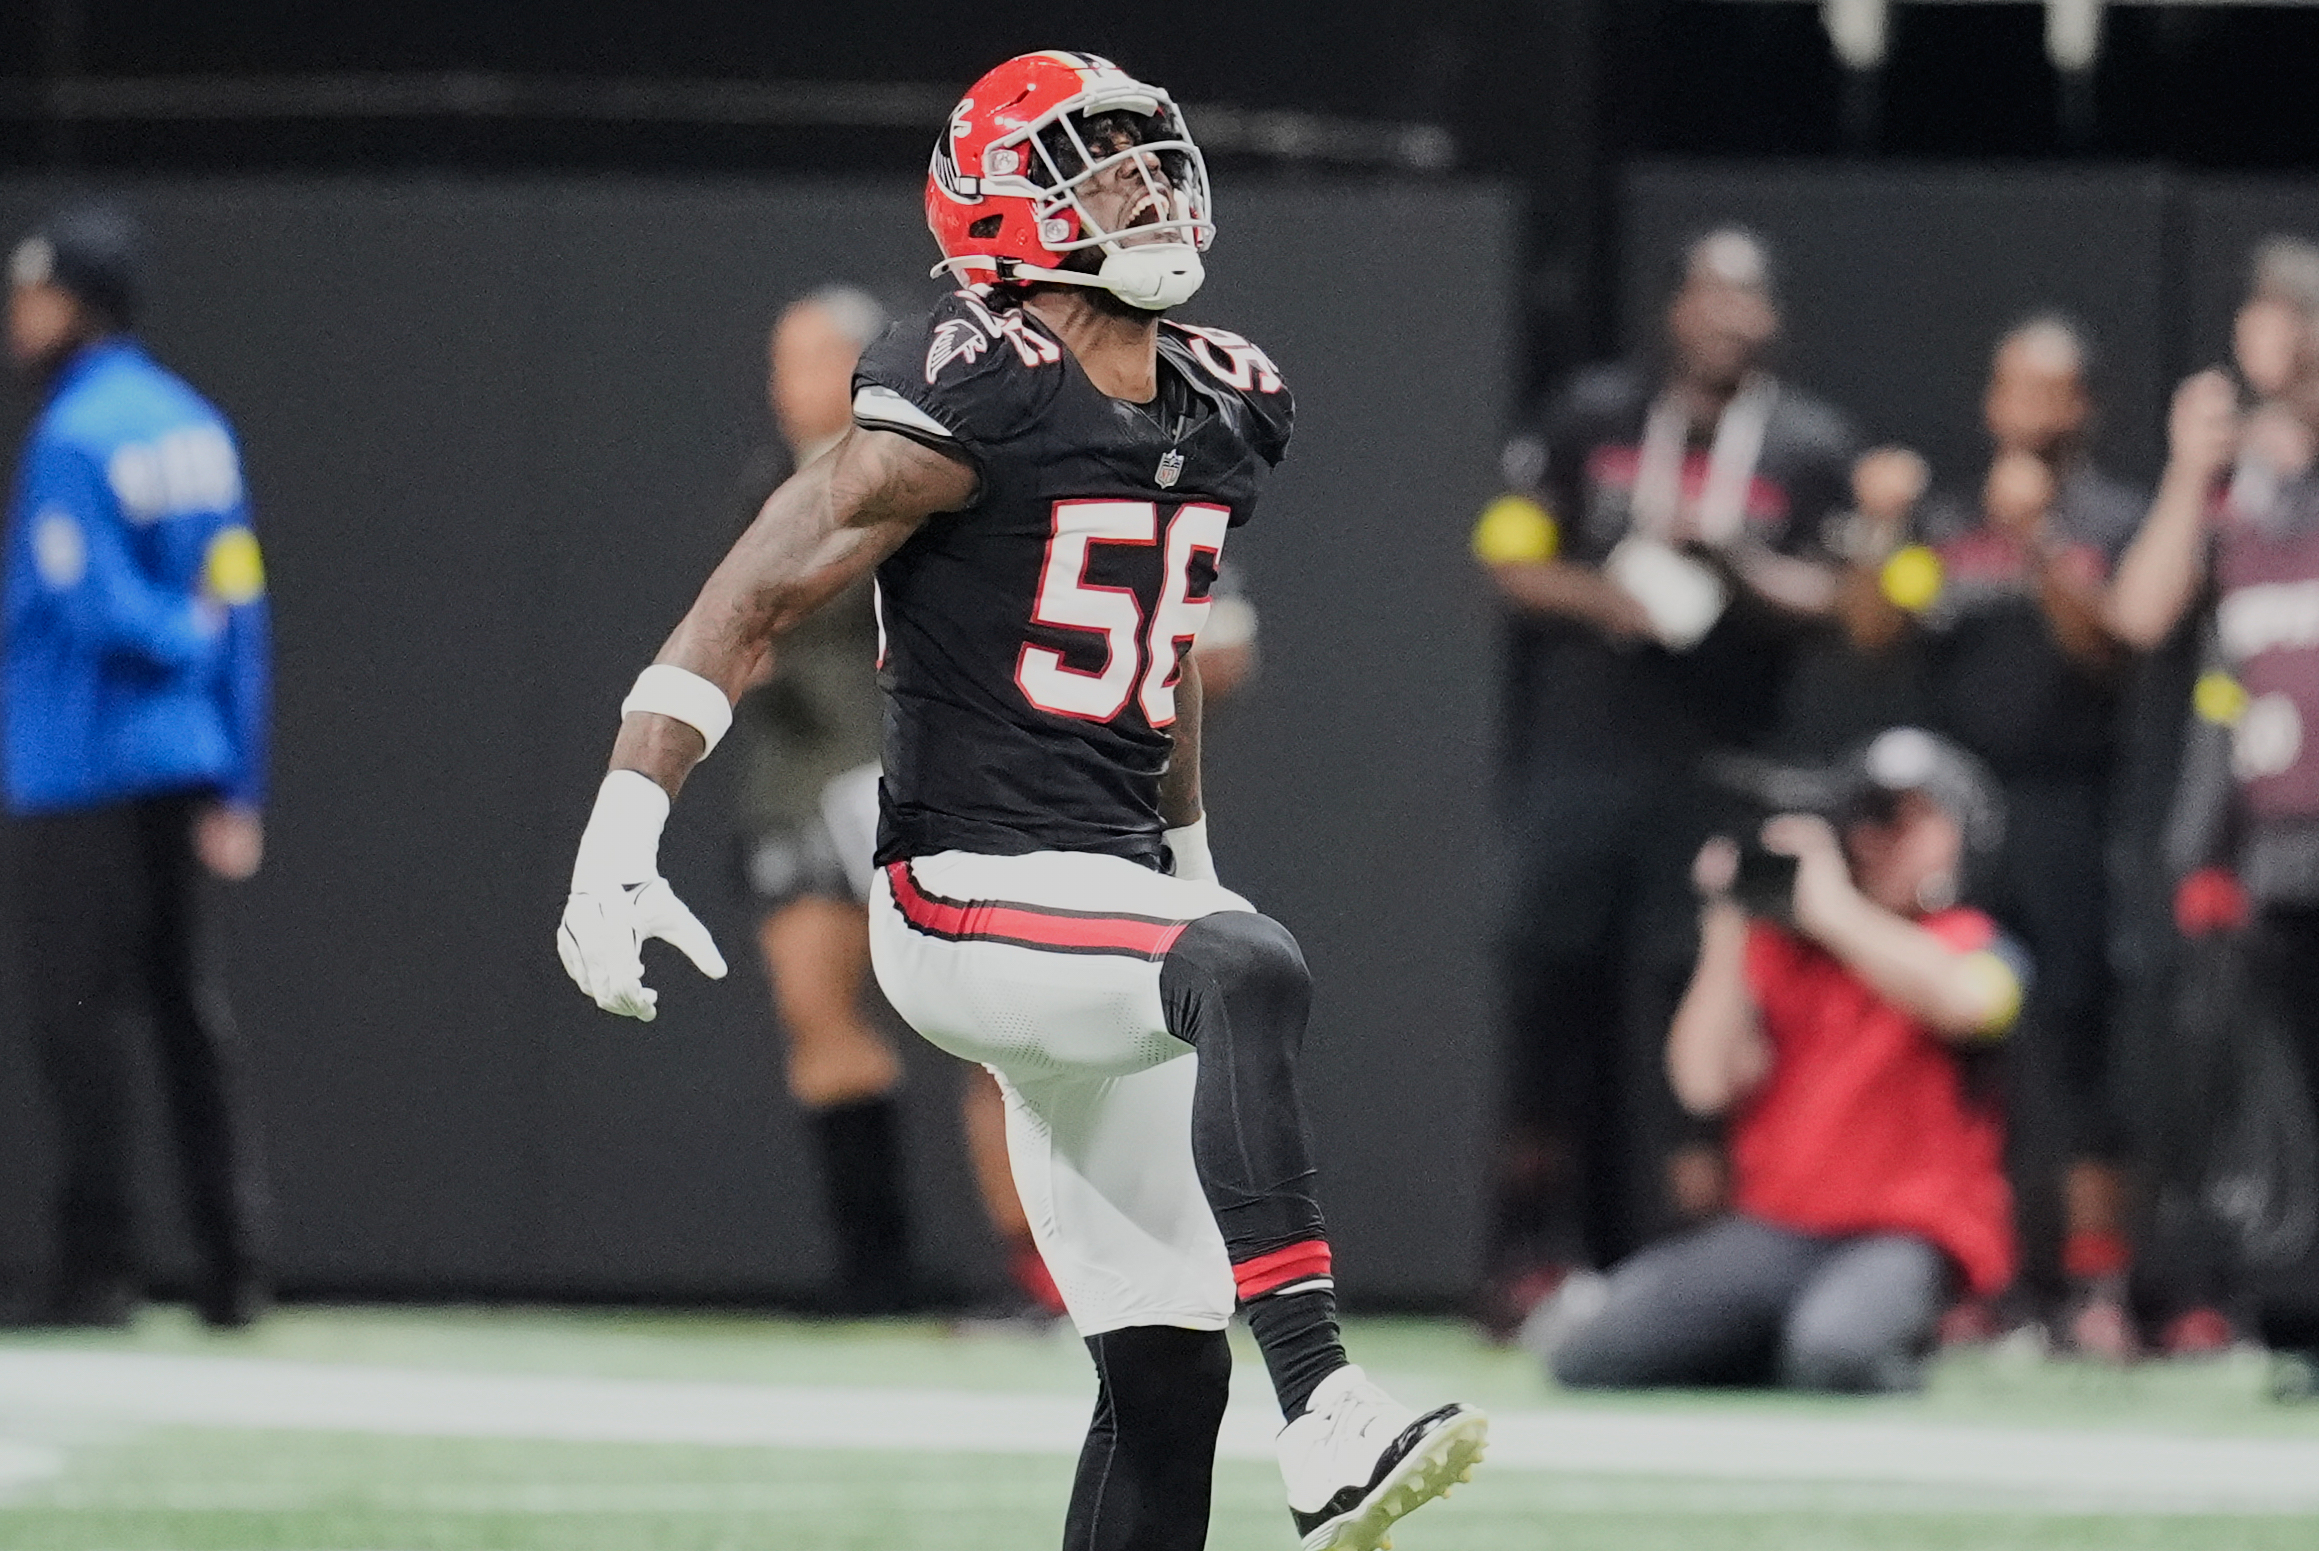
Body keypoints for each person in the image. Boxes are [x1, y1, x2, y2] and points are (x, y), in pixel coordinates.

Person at [554, 51, 1484, 1551]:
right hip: (962, 890)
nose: (1144, 184)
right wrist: (621, 820)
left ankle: (1277, 1404)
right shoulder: (971, 381)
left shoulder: (1220, 394)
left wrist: (1182, 859)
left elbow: (1158, 648)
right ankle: (1321, 1404)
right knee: (1244, 959)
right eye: (1096, 162)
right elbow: (757, 581)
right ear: (1000, 204)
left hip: (1103, 897)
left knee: (1161, 1373)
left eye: (1146, 155)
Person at [1470, 227, 1859, 1328]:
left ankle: (1694, 1268)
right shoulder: (1590, 415)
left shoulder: (1806, 442)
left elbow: (1842, 604)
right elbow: (1507, 557)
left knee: (1695, 1012)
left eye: (1751, 302)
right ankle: (1526, 1248)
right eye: (1712, 298)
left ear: (1772, 320)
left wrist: (1732, 558)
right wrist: (1616, 602)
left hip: (1720, 770)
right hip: (1583, 761)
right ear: (1675, 307)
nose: (1730, 320)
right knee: (1547, 998)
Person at [1529, 729, 2024, 1393]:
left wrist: (1832, 911)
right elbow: (1704, 1083)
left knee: (1836, 1353)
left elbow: (1968, 1003)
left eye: (1911, 821)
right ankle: (1763, 1338)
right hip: (1776, 1228)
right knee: (1592, 1353)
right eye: (1874, 820)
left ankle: (1854, 1340)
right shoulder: (1782, 954)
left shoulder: (1975, 944)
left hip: (1903, 1233)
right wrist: (1727, 926)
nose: (1883, 840)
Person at [3, 204, 273, 1329]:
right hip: (184, 757)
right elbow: (245, 607)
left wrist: (178, 634)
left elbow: (92, 596)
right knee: (184, 1014)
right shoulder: (200, 431)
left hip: (78, 763)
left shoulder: (74, 437)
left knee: (81, 1019)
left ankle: (92, 1270)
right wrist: (239, 775)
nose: (20, 320)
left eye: (33, 296)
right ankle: (231, 1268)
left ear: (78, 302)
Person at [1887, 318, 2145, 1347]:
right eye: (2013, 389)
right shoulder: (1947, 521)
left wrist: (2040, 543)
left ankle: (2096, 1286)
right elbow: (1875, 632)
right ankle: (1966, 1273)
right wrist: (1879, 533)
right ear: (1992, 403)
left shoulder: (2115, 519)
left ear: (2081, 408)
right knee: (1953, 1047)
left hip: (2067, 808)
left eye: (2053, 392)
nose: (2030, 410)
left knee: (2078, 1038)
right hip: (1959, 816)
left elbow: (2105, 653)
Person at [2108, 236, 2319, 1358]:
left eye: (2283, 319)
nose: (2262, 342)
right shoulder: (2237, 479)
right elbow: (2141, 615)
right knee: (2278, 1085)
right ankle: (2295, 1308)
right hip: (2265, 824)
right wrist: (2193, 468)